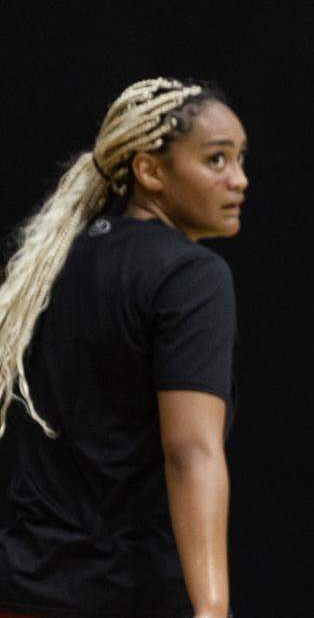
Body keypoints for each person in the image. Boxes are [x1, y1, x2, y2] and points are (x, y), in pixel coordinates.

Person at [0, 78, 248, 618]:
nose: (239, 180)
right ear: (150, 170)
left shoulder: (52, 264)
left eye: (239, 159)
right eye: (216, 160)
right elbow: (191, 450)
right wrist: (212, 608)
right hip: (126, 594)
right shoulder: (191, 276)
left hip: (24, 587)